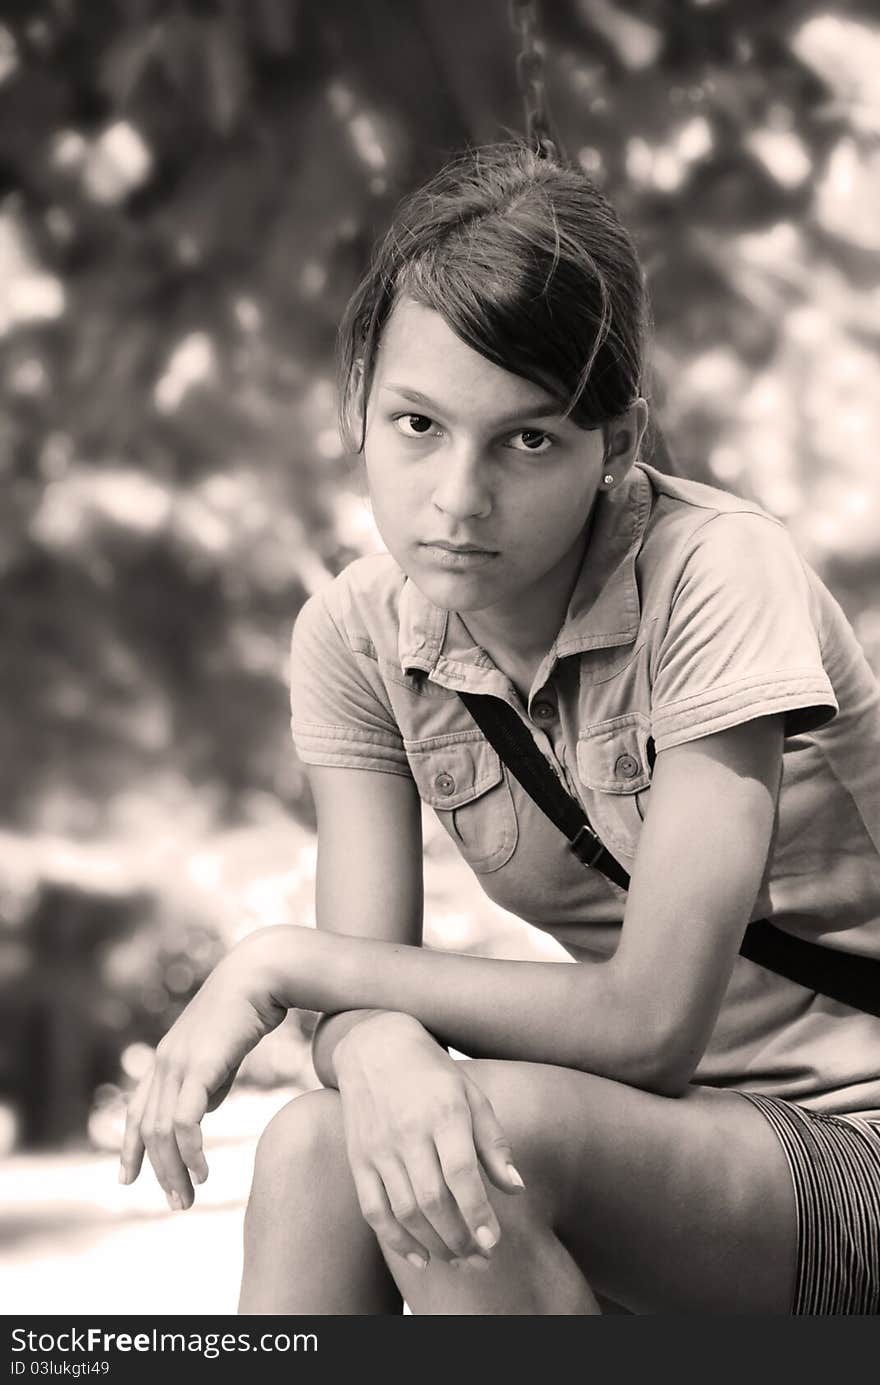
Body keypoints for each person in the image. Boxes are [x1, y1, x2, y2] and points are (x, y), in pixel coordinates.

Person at [118, 142, 880, 1315]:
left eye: (525, 440)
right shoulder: (354, 635)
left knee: (475, 1143)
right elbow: (359, 999)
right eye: (418, 423)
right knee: (317, 1150)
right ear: (357, 403)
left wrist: (277, 962)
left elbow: (648, 1026)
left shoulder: (721, 573)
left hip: (846, 1134)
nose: (457, 498)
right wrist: (376, 1045)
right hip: (662, 1141)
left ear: (613, 448)